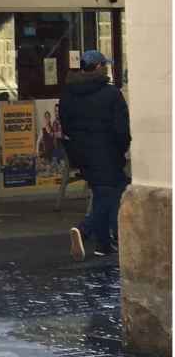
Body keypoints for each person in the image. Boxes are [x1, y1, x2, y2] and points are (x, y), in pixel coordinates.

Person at [58, 50, 129, 260]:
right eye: (104, 65)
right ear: (98, 67)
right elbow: (121, 130)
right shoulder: (111, 93)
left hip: (81, 154)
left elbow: (66, 124)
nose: (105, 67)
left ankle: (103, 245)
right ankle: (85, 229)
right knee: (112, 190)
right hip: (106, 152)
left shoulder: (68, 93)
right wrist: (121, 149)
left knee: (103, 192)